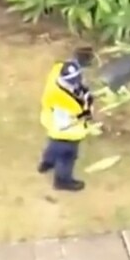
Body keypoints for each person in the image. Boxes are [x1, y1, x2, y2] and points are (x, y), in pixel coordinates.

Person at [38, 59, 95, 192]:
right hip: (64, 132)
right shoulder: (60, 101)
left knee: (52, 146)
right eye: (72, 82)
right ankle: (62, 181)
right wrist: (85, 115)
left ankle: (47, 163)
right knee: (67, 156)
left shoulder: (56, 74)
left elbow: (61, 64)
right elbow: (65, 123)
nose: (76, 84)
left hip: (52, 125)